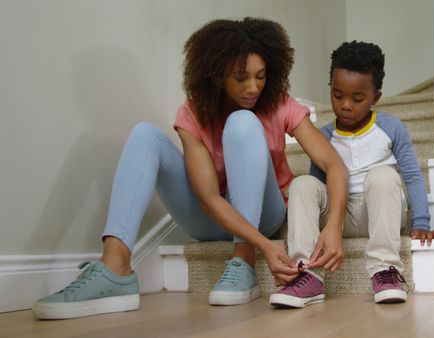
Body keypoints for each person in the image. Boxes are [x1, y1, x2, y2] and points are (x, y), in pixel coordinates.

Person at [32, 17, 348, 320]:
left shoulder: (279, 103)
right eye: (241, 78)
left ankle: (243, 260)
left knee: (242, 121)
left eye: (261, 75)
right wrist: (267, 246)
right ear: (217, 74)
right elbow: (208, 197)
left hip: (266, 214)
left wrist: (332, 226)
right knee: (146, 135)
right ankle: (115, 267)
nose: (253, 87)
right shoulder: (194, 112)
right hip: (210, 217)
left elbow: (333, 165)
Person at [269, 41, 434, 308]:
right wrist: (298, 229)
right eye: (337, 96)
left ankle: (386, 270)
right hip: (341, 215)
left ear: (376, 97)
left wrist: (421, 221)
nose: (346, 105)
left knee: (383, 175)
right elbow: (318, 187)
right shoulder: (324, 135)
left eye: (357, 99)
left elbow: (413, 176)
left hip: (380, 210)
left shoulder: (391, 128)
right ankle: (308, 273)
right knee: (303, 183)